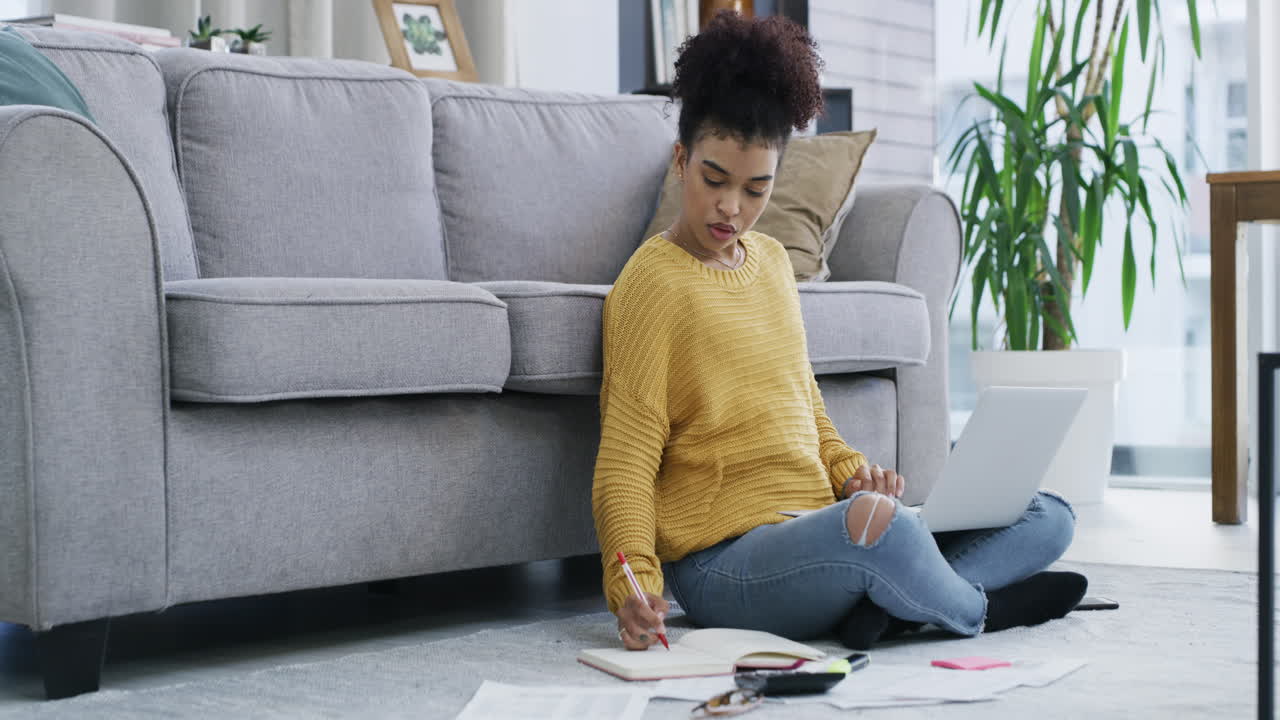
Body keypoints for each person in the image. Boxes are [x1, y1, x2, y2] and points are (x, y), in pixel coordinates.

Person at [591, 10, 1088, 653]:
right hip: (724, 566)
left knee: (1048, 514)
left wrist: (854, 473)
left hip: (816, 527)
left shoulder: (769, 264)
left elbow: (807, 412)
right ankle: (976, 610)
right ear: (682, 160)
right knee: (893, 535)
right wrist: (630, 583)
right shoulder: (649, 285)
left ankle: (896, 607)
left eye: (755, 188)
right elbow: (625, 461)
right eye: (714, 179)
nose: (732, 208)